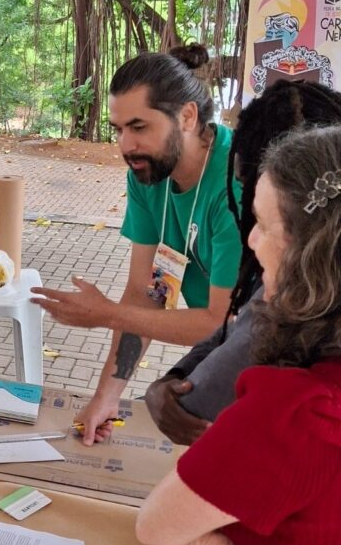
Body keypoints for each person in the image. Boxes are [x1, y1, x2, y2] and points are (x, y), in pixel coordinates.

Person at [136, 125, 341, 545]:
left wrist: (196, 531)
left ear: (310, 254)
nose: (251, 242)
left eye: (261, 223)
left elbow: (157, 524)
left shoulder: (298, 412)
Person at [31, 45, 243, 445]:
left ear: (186, 116)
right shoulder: (148, 174)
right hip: (229, 340)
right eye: (118, 130)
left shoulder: (236, 184)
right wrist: (105, 397)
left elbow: (218, 321)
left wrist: (107, 314)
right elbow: (146, 294)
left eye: (139, 127)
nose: (125, 146)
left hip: (277, 351)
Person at [145, 81, 341, 444]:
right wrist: (175, 376)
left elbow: (203, 396)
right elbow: (233, 326)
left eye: (265, 213)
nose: (250, 234)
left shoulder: (296, 301)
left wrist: (174, 391)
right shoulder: (286, 278)